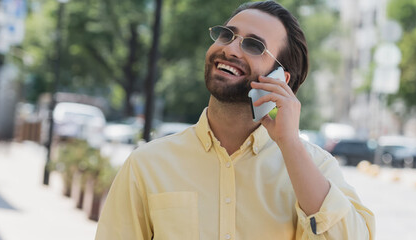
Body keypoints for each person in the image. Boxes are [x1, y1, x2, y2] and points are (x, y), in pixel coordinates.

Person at [95, 1, 375, 239]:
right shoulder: (147, 164)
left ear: (280, 80)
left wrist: (289, 143)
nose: (231, 49)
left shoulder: (315, 167)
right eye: (227, 35)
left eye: (254, 46)